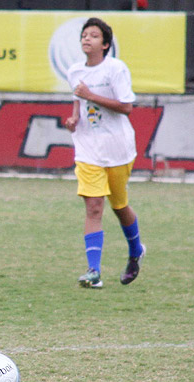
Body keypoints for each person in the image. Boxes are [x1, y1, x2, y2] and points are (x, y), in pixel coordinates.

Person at [64, 17, 145, 288]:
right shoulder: (75, 71)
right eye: (85, 35)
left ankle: (136, 251)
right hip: (87, 149)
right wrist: (73, 119)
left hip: (118, 148)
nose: (87, 38)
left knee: (120, 206)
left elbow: (126, 107)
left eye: (94, 35)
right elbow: (78, 104)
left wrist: (91, 95)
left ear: (106, 43)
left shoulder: (116, 69)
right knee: (94, 206)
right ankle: (93, 272)